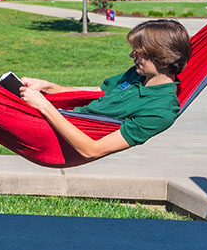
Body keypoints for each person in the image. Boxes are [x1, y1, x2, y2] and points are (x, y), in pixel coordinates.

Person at [18, 19, 191, 160]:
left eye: (139, 53)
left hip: (57, 141)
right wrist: (47, 87)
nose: (132, 56)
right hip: (59, 119)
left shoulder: (161, 111)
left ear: (163, 61)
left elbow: (92, 150)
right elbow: (92, 95)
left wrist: (44, 106)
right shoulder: (138, 75)